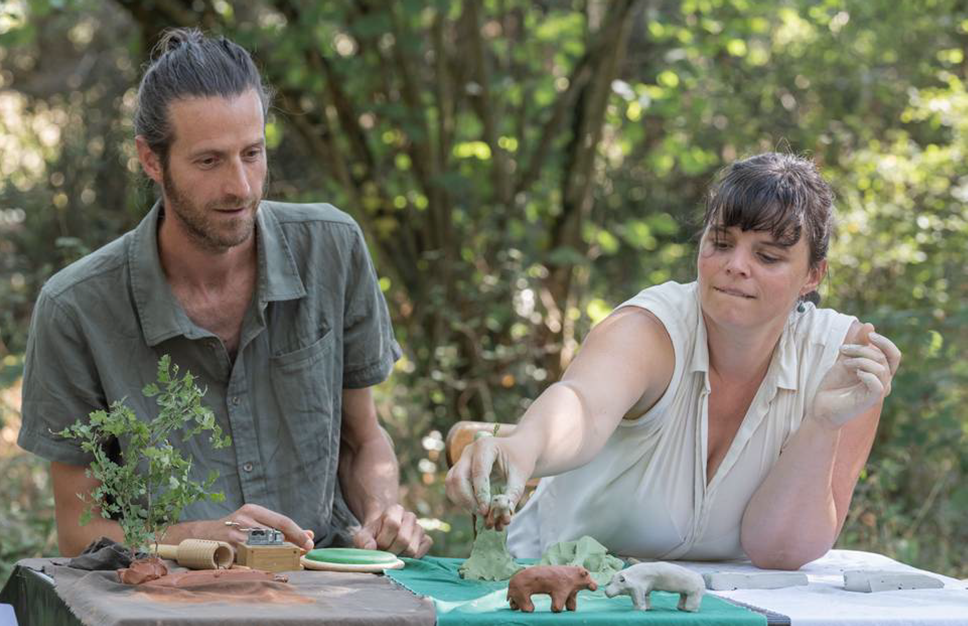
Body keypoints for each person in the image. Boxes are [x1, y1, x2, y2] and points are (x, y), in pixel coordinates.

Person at [18, 28, 430, 558]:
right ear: (151, 160)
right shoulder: (76, 308)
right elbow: (80, 532)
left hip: (328, 584)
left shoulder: (333, 247)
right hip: (170, 600)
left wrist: (381, 512)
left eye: (252, 153)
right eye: (209, 161)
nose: (241, 186)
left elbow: (363, 440)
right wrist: (192, 538)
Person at [446, 152, 901, 569]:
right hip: (560, 588)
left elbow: (779, 550)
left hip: (715, 606)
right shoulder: (650, 330)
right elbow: (581, 406)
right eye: (721, 243)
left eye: (767, 256)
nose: (736, 265)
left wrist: (822, 423)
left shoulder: (844, 359)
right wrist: (520, 449)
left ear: (813, 275)